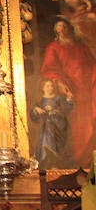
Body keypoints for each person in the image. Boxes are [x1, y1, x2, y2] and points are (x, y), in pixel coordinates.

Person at [40, 18, 96, 168]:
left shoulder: (81, 48)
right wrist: (59, 83)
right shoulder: (53, 47)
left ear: (69, 29)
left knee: (89, 125)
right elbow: (50, 69)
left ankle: (89, 162)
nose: (62, 30)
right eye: (58, 28)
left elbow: (92, 65)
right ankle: (80, 162)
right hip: (69, 92)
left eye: (64, 27)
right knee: (76, 129)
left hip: (87, 91)